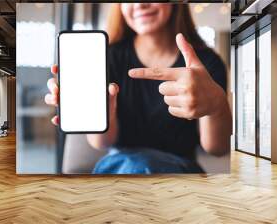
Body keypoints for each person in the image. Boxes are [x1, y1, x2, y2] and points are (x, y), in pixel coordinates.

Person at [45, 3, 232, 174]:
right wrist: (102, 114)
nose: (140, 4)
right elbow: (102, 143)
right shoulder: (109, 57)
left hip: (179, 167)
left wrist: (216, 107)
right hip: (120, 164)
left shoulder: (206, 63)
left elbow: (217, 148)